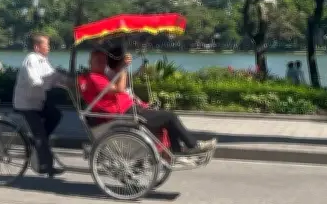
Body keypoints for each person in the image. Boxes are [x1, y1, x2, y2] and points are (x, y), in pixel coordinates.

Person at [78, 49, 216, 155]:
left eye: (103, 61)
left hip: (128, 109)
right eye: (98, 61)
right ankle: (192, 146)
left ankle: (177, 149)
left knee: (165, 118)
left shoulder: (100, 76)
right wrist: (124, 68)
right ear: (90, 62)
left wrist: (124, 69)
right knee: (170, 116)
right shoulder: (94, 78)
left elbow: (120, 83)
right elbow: (119, 88)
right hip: (125, 113)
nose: (102, 63)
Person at [13, 33, 68, 176]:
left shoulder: (44, 61)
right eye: (46, 45)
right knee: (40, 135)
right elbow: (34, 81)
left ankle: (37, 141)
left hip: (37, 102)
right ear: (37, 47)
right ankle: (46, 166)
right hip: (26, 104)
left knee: (55, 115)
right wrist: (49, 83)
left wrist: (68, 82)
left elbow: (53, 76)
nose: (49, 47)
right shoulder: (31, 60)